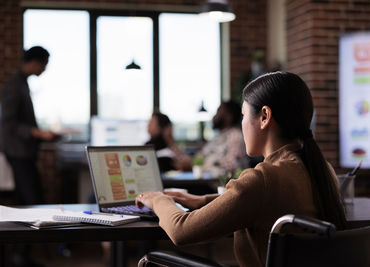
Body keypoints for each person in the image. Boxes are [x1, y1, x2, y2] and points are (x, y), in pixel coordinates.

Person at [135, 72, 346, 267]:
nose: (242, 124)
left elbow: (181, 230)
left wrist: (157, 199)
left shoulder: (262, 179)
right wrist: (202, 201)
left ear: (264, 117)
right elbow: (263, 201)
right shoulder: (322, 170)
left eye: (244, 115)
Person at [0, 46, 57, 206]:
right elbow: (10, 122)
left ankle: (18, 231)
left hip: (23, 150)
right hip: (18, 151)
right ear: (34, 62)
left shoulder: (22, 83)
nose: (45, 69)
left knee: (23, 199)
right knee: (34, 198)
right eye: (44, 64)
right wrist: (39, 133)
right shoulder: (14, 85)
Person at [199, 100, 248, 176]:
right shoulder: (216, 138)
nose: (214, 116)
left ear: (229, 117)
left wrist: (204, 165)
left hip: (223, 185)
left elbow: (232, 165)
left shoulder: (235, 136)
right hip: (206, 182)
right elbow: (199, 157)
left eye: (218, 111)